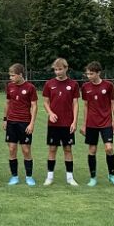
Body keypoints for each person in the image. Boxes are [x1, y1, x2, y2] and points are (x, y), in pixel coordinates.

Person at [80, 62, 114, 187]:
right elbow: (86, 106)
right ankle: (93, 178)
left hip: (106, 123)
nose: (89, 76)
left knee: (109, 148)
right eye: (87, 73)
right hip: (91, 123)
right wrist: (83, 124)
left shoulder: (108, 85)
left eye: (91, 73)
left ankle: (112, 175)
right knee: (92, 150)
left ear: (98, 73)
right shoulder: (85, 87)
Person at [42, 58, 80, 186]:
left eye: (60, 69)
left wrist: (74, 121)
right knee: (52, 149)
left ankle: (70, 178)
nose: (58, 72)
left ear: (66, 68)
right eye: (56, 70)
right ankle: (49, 177)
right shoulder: (49, 84)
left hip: (67, 123)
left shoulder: (73, 84)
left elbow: (75, 104)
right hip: (53, 124)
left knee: (67, 149)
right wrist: (50, 113)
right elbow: (45, 102)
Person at [4, 63, 38, 186]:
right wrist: (5, 119)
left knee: (26, 150)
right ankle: (14, 177)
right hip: (11, 122)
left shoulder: (30, 87)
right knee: (12, 149)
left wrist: (32, 123)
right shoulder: (10, 86)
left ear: (20, 75)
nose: (11, 78)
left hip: (25, 123)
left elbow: (34, 106)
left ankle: (29, 177)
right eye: (10, 75)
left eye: (13, 75)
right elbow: (7, 103)